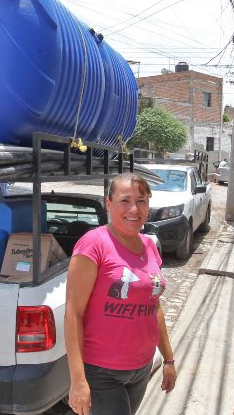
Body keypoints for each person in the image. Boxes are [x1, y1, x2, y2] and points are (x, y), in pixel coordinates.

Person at [65, 172, 176, 415]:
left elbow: (154, 306)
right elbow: (73, 314)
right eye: (125, 200)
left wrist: (168, 360)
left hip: (141, 367)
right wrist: (78, 380)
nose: (134, 209)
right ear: (109, 203)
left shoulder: (149, 245)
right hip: (102, 372)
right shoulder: (93, 244)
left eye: (142, 200)